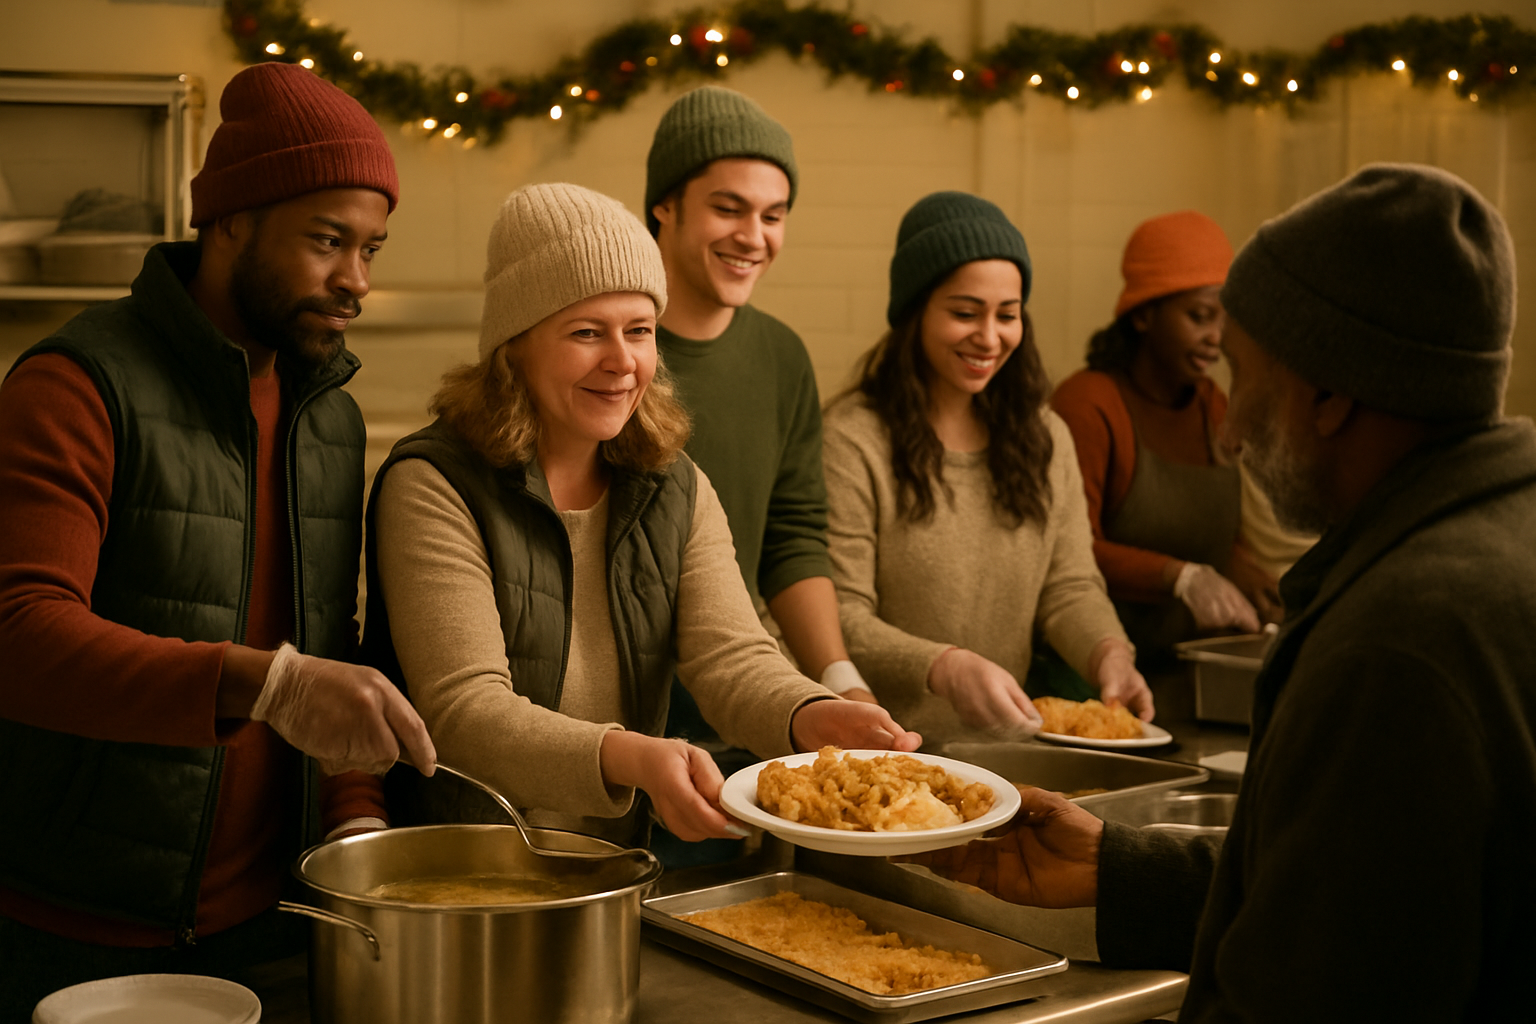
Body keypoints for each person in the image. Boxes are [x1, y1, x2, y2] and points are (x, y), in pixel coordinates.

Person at [906, 164, 1534, 1018]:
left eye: (1245, 379)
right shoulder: (1495, 542)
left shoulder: (1401, 646)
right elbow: (1343, 887)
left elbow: (1323, 986)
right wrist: (1122, 870)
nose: (1230, 429)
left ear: (1331, 393)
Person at [0, 62, 436, 1020]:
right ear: (231, 220)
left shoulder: (333, 420)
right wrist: (265, 682)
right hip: (66, 928)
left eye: (371, 248)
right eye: (328, 240)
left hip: (272, 927)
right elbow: (20, 637)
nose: (355, 280)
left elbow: (327, 648)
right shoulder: (76, 385)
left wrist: (354, 817)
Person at [362, 183, 919, 848]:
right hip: (464, 865)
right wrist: (634, 758)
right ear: (514, 345)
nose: (623, 362)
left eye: (640, 331)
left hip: (611, 863)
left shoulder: (672, 484)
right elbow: (465, 711)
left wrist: (813, 714)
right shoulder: (435, 483)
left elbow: (732, 657)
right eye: (587, 332)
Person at [823, 191, 1153, 745]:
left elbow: (1069, 585)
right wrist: (945, 666)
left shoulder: (1045, 436)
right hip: (888, 753)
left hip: (1009, 755)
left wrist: (1109, 653)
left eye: (1008, 314)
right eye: (964, 313)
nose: (990, 337)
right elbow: (840, 614)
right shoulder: (853, 439)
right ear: (915, 313)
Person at [645, 86, 875, 705]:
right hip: (607, 713)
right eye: (729, 209)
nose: (754, 237)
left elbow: (791, 539)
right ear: (666, 205)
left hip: (741, 698)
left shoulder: (782, 356)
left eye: (773, 216)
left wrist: (839, 677)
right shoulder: (607, 349)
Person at [1052, 211, 1270, 655]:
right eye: (1200, 316)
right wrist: (1178, 576)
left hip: (1198, 657)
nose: (1216, 338)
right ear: (1143, 317)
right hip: (1107, 661)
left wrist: (1250, 574)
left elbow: (1220, 534)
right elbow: (1070, 551)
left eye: (1225, 322)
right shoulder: (1089, 405)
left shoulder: (1213, 405)